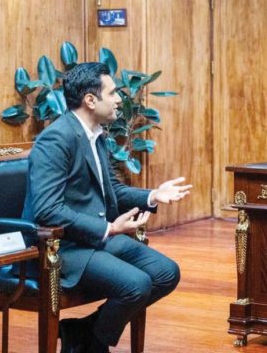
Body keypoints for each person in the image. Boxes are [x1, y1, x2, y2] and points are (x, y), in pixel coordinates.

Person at [22, 62, 192, 353]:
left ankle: (84, 333)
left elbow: (111, 190)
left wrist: (152, 196)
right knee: (136, 284)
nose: (118, 100)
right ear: (90, 100)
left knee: (166, 273)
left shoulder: (97, 134)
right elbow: (47, 210)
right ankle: (94, 345)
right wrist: (109, 228)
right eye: (112, 93)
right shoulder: (56, 139)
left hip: (95, 240)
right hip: (62, 247)